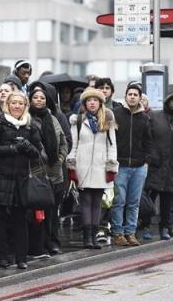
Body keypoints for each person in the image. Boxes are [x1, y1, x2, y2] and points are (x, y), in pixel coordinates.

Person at [0, 91, 45, 269]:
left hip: (21, 180)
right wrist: (12, 148)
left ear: (25, 106)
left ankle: (21, 258)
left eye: (20, 103)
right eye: (13, 103)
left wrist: (27, 147)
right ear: (7, 105)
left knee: (20, 222)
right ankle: (1, 257)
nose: (17, 106)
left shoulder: (30, 126)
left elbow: (38, 153)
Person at [67, 88, 118, 249]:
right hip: (83, 166)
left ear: (100, 103)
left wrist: (111, 166)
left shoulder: (108, 120)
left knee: (98, 202)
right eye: (89, 101)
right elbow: (73, 145)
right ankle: (86, 237)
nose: (92, 103)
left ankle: (94, 235)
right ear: (85, 103)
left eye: (95, 100)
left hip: (101, 167)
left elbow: (112, 145)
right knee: (85, 202)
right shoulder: (78, 120)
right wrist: (72, 166)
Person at [144, 91, 173, 241]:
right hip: (155, 164)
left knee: (168, 199)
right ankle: (145, 225)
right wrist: (150, 156)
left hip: (172, 165)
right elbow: (147, 138)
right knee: (149, 198)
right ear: (167, 102)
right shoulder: (154, 117)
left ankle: (165, 227)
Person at [110, 83, 152, 247]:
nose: (133, 97)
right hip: (120, 165)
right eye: (130, 94)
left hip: (139, 166)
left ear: (140, 98)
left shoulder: (145, 118)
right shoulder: (116, 114)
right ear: (126, 96)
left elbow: (148, 141)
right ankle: (118, 233)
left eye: (136, 94)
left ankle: (131, 232)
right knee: (119, 201)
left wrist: (146, 160)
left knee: (134, 202)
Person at [28, 88, 68, 257]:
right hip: (37, 173)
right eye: (35, 97)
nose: (39, 100)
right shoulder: (27, 119)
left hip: (55, 173)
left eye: (42, 98)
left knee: (53, 212)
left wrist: (59, 159)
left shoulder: (53, 119)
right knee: (38, 213)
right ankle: (39, 245)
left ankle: (53, 242)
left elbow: (64, 142)